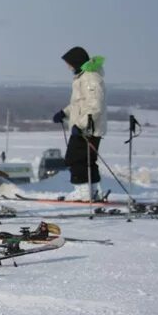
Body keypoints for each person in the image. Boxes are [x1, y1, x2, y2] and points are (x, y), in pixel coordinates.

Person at [52, 46, 106, 201]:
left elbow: (95, 106)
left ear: (76, 62)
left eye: (68, 63)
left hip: (87, 129)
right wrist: (64, 113)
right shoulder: (83, 77)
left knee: (75, 159)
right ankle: (93, 192)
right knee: (88, 161)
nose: (67, 66)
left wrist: (81, 125)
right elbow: (79, 104)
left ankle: (83, 193)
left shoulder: (90, 78)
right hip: (86, 127)